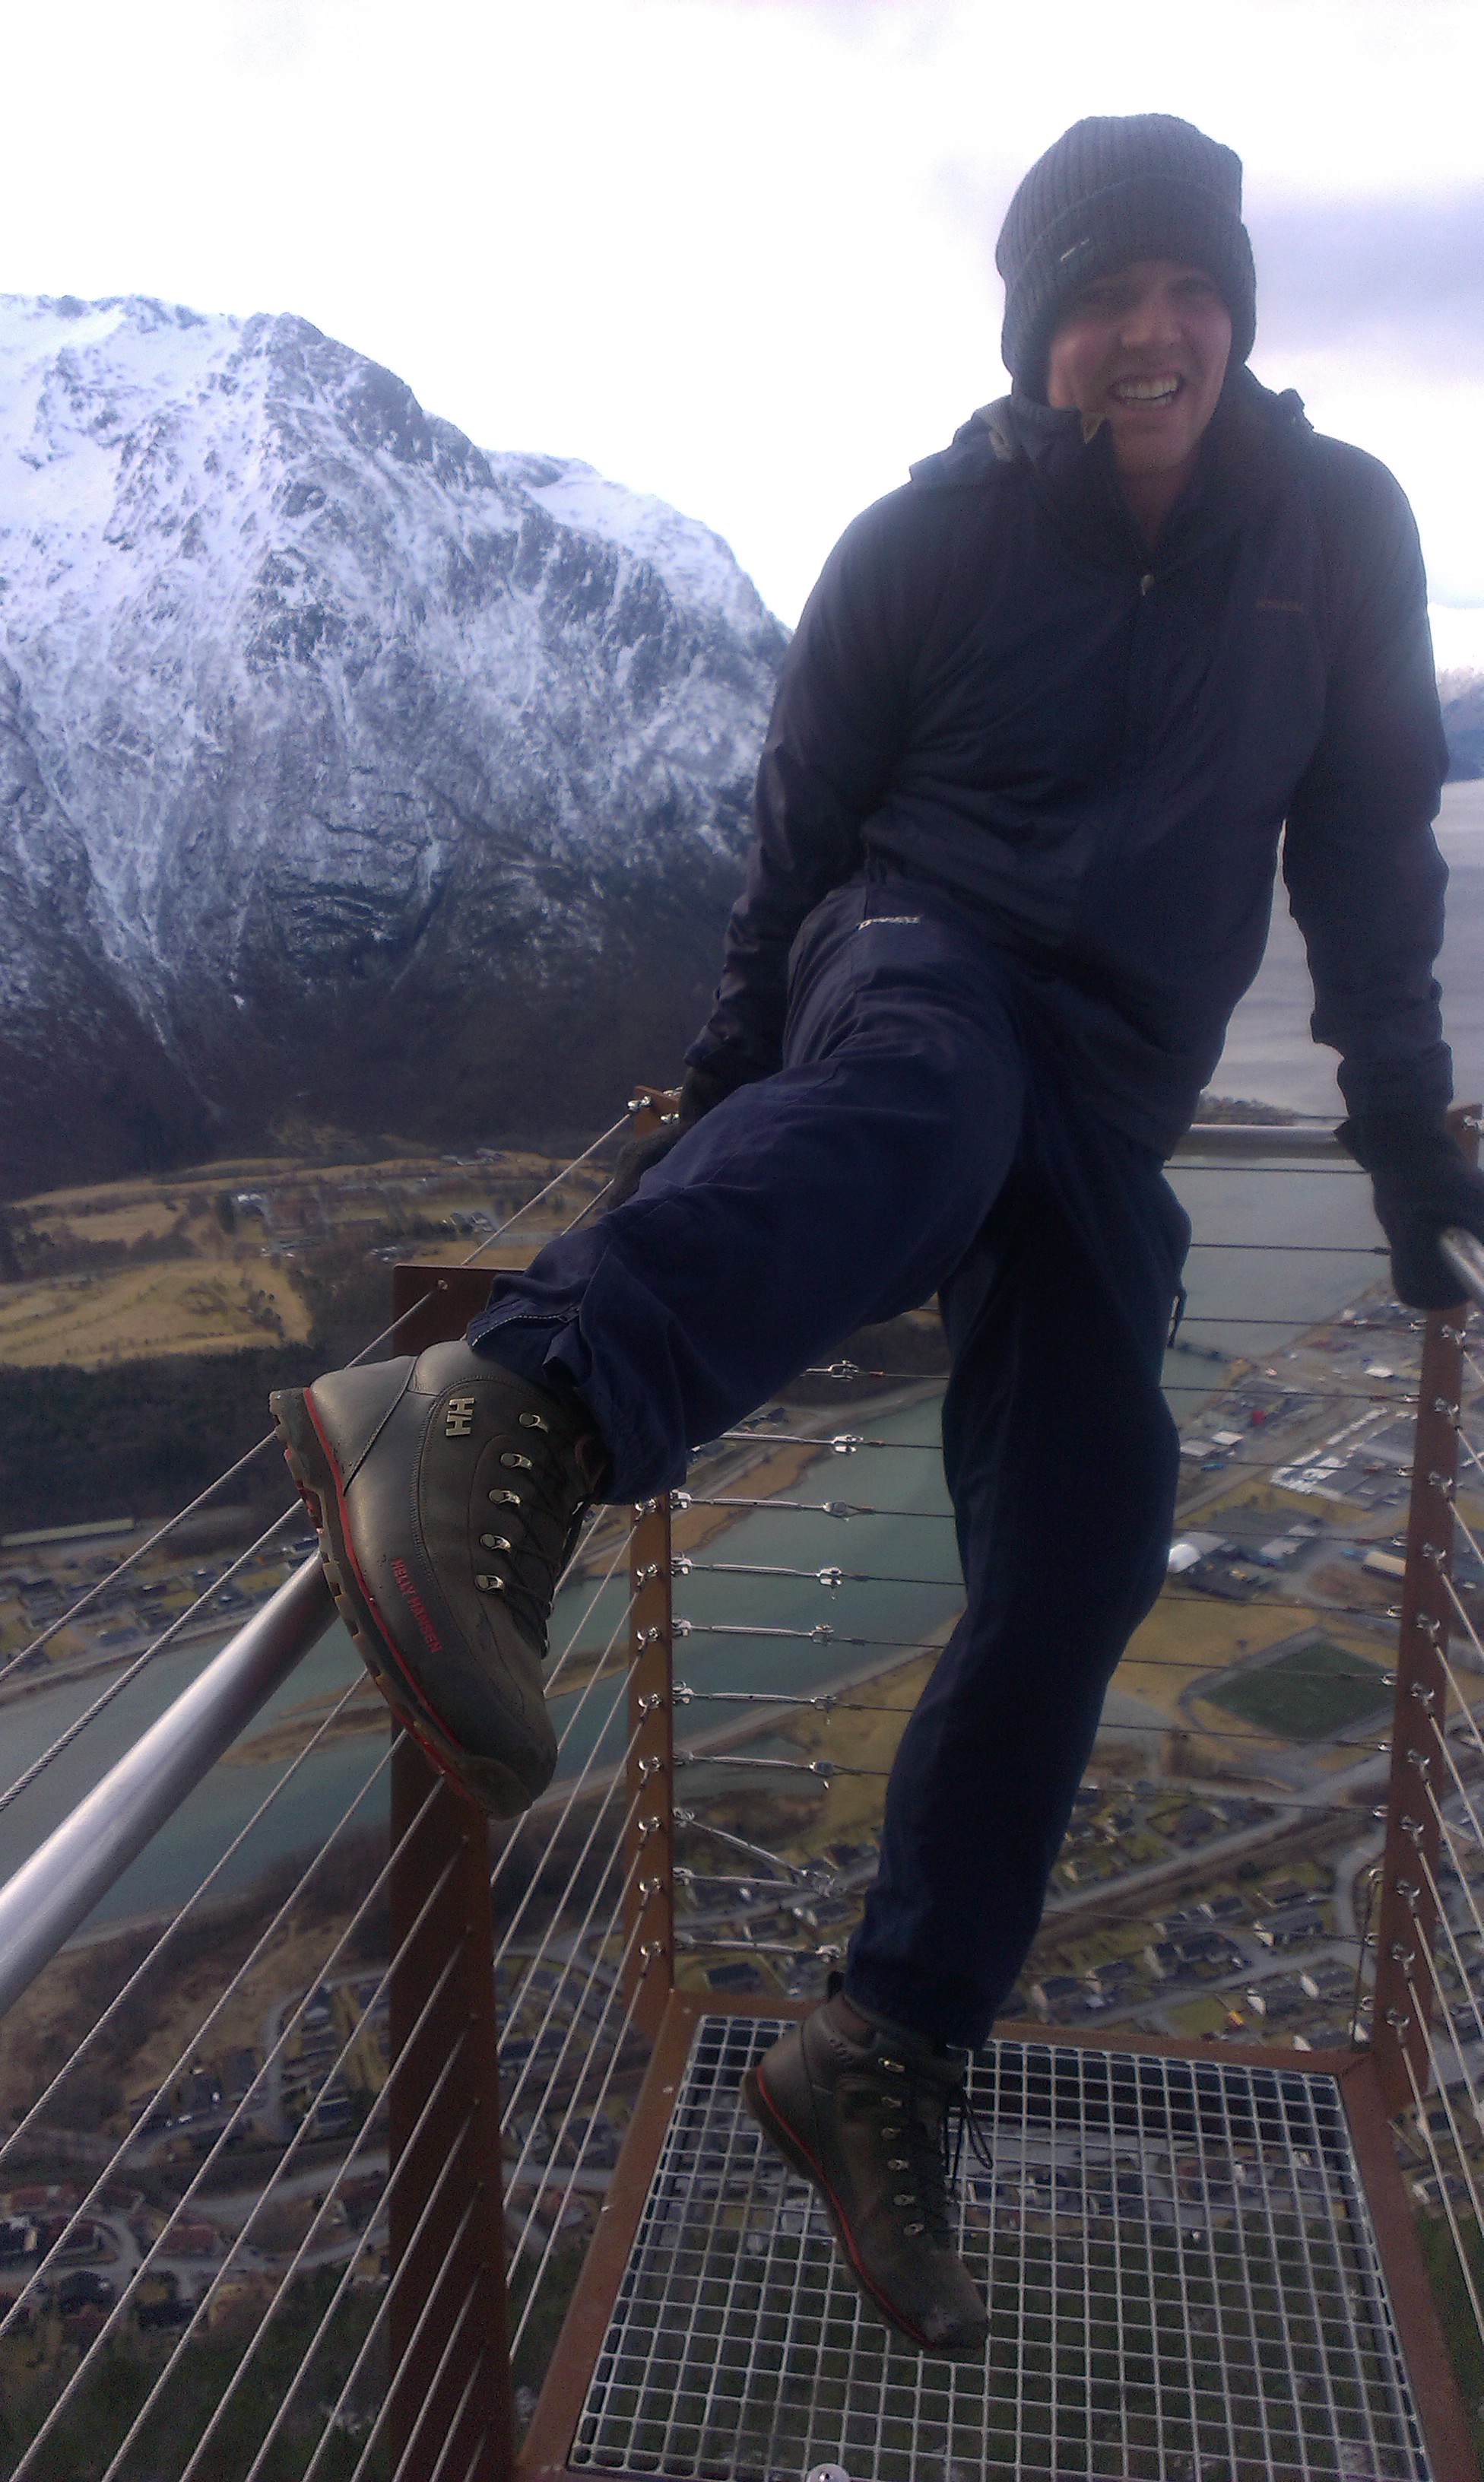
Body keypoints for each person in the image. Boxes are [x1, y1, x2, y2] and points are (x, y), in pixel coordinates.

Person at [272, 113, 1484, 2360]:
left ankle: (885, 2044)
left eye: (1187, 290)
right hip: (920, 959)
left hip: (1110, 1100)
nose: (1151, 335)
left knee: (1090, 1532)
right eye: (1101, 300)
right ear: (1036, 337)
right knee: (929, 1091)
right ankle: (505, 1407)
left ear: (1236, 307)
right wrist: (725, 1134)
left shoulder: (1342, 531)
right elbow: (789, 875)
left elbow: (1370, 851)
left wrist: (1407, 1140)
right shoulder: (923, 549)